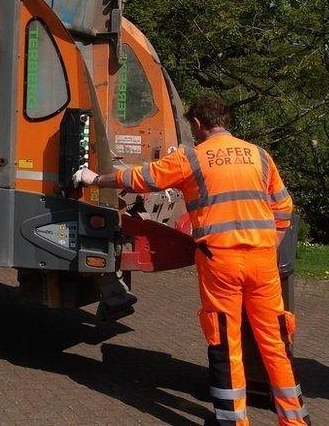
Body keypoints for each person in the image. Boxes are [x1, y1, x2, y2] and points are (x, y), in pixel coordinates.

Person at [74, 94, 308, 425]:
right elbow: (283, 211)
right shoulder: (260, 156)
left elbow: (142, 179)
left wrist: (95, 179)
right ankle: (295, 420)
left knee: (227, 343)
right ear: (224, 120)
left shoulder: (193, 158)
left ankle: (233, 420)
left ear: (197, 124)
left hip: (221, 263)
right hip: (262, 262)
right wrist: (268, 247)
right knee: (274, 341)